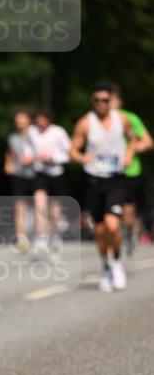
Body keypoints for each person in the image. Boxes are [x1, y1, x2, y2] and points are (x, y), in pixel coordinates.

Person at [70, 83, 136, 292]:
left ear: (111, 100)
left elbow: (133, 140)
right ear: (92, 101)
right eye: (97, 100)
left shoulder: (121, 120)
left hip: (115, 179)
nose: (101, 104)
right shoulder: (85, 123)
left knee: (113, 226)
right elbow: (73, 150)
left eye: (105, 100)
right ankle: (106, 267)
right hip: (94, 181)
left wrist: (129, 154)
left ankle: (116, 262)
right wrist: (82, 158)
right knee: (100, 232)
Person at [110, 84, 153, 255]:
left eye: (112, 99)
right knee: (111, 206)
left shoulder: (129, 118)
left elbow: (148, 142)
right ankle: (116, 234)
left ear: (120, 101)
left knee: (127, 209)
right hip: (106, 172)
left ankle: (128, 231)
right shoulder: (96, 121)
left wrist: (131, 151)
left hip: (130, 170)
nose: (108, 103)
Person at [26, 110, 70, 256]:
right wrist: (30, 157)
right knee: (40, 204)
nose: (40, 123)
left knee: (54, 209)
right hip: (40, 173)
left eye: (43, 120)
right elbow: (28, 149)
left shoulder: (58, 131)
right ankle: (41, 238)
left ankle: (56, 235)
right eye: (38, 121)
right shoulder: (32, 132)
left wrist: (53, 157)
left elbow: (69, 152)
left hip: (56, 172)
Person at [4, 110, 36, 252]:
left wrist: (32, 159)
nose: (20, 121)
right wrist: (8, 164)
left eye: (22, 118)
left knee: (36, 207)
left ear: (29, 120)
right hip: (19, 174)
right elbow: (10, 154)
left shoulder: (35, 135)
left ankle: (37, 235)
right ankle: (21, 237)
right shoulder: (13, 138)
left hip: (35, 174)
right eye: (18, 119)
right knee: (19, 207)